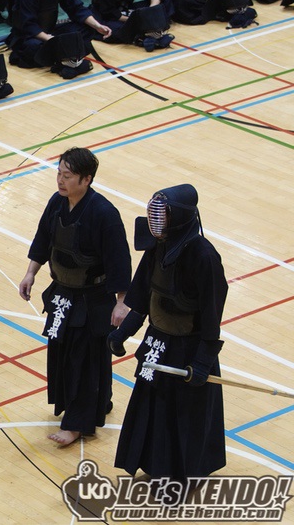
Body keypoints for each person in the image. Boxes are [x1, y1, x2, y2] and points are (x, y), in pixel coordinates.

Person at [108, 184, 227, 482]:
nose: (156, 222)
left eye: (163, 215)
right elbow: (143, 298)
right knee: (152, 408)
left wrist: (202, 363)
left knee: (183, 417)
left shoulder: (204, 257)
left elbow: (211, 318)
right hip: (158, 342)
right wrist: (122, 333)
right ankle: (154, 465)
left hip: (189, 350)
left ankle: (181, 477)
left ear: (180, 217)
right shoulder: (157, 247)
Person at [18, 147, 131, 447]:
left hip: (92, 299)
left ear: (86, 179)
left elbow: (120, 262)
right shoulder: (57, 203)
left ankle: (77, 424)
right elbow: (43, 240)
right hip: (62, 294)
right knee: (65, 355)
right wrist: (30, 273)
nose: (60, 180)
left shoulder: (104, 214)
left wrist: (121, 303)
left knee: (85, 360)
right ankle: (97, 402)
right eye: (59, 173)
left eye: (67, 176)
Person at [8, 0, 112, 79]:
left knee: (87, 27)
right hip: (29, 36)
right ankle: (65, 55)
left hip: (51, 31)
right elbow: (28, 25)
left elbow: (76, 9)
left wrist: (98, 26)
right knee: (33, 47)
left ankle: (60, 54)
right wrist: (49, 39)